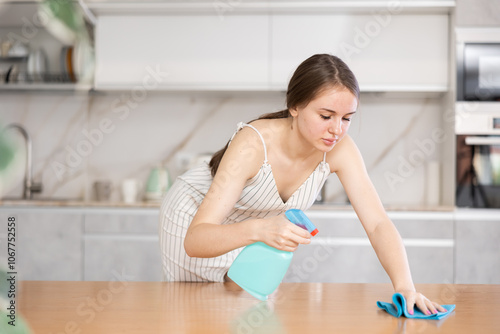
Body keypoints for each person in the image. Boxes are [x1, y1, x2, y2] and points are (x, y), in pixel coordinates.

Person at [159, 54, 447, 315]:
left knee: (248, 313)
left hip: (255, 231)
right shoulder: (253, 143)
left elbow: (377, 223)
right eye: (326, 116)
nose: (337, 130)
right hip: (195, 216)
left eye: (347, 118)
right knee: (197, 312)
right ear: (295, 106)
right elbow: (195, 240)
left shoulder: (340, 149)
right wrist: (261, 228)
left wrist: (405, 286)